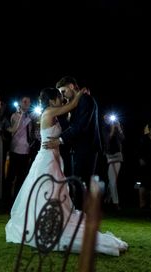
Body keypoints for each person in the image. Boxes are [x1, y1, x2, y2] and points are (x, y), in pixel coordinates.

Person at [6, 87, 128, 256]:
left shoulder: (53, 114)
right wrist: (78, 94)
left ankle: (51, 220)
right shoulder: (48, 112)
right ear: (51, 100)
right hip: (46, 159)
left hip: (54, 158)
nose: (61, 99)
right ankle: (42, 223)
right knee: (46, 191)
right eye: (58, 96)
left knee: (55, 192)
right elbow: (71, 106)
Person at [44, 76, 102, 209]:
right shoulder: (74, 103)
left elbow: (80, 126)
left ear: (71, 86)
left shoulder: (86, 100)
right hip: (76, 148)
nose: (62, 95)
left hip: (87, 148)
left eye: (63, 91)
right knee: (76, 182)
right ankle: (77, 214)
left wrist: (60, 140)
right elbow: (68, 125)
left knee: (81, 183)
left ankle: (81, 215)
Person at [104, 114, 124, 211]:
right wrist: (112, 129)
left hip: (117, 156)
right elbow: (107, 140)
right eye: (107, 118)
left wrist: (119, 127)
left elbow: (122, 138)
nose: (109, 119)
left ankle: (115, 203)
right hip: (108, 157)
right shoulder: (104, 128)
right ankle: (108, 199)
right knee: (111, 180)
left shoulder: (116, 126)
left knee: (112, 180)